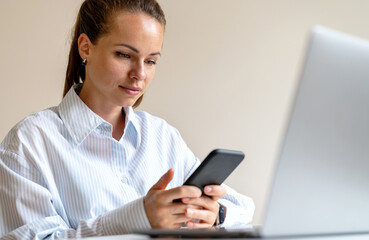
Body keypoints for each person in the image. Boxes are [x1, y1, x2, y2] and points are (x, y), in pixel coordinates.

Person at [0, 0, 255, 239]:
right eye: (124, 55)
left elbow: (242, 209)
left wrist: (214, 214)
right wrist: (139, 217)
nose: (140, 74)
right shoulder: (28, 143)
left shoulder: (162, 137)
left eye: (151, 60)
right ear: (85, 47)